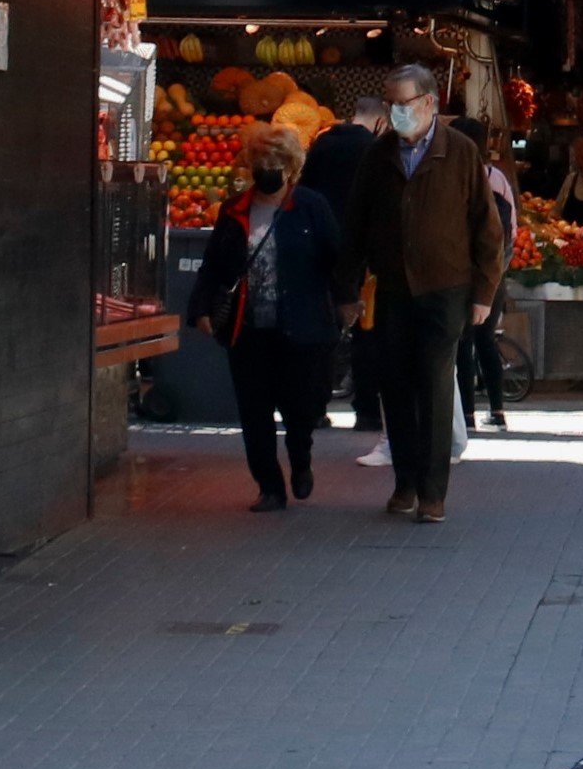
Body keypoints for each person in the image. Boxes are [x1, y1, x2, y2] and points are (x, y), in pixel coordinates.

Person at [342, 64, 506, 523]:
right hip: (393, 289)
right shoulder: (378, 156)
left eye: (404, 104)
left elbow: (487, 230)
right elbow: (356, 226)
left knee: (434, 385)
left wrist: (483, 293)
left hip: (445, 289)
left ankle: (433, 492)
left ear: (430, 103)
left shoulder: (460, 152)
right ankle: (405, 484)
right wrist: (348, 289)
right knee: (395, 384)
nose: (395, 113)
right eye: (390, 104)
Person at [185, 123, 350, 509]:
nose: (268, 167)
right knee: (254, 411)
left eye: (276, 160)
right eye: (261, 160)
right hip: (248, 327)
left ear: (291, 166)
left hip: (302, 327)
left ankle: (301, 461)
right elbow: (212, 266)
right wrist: (201, 308)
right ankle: (269, 486)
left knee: (300, 408)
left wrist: (346, 301)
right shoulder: (234, 210)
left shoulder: (311, 206)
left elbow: (336, 260)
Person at [306, 96, 391, 431]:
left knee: (321, 326)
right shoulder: (376, 150)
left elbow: (306, 191)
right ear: (381, 120)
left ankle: (314, 407)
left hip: (320, 246)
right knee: (365, 329)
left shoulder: (322, 143)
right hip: (362, 252)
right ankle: (367, 409)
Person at [460, 150, 522, 433]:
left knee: (463, 343)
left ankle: (467, 414)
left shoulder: (457, 179)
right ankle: (497, 411)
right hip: (493, 273)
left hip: (461, 273)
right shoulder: (498, 179)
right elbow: (511, 230)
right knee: (485, 340)